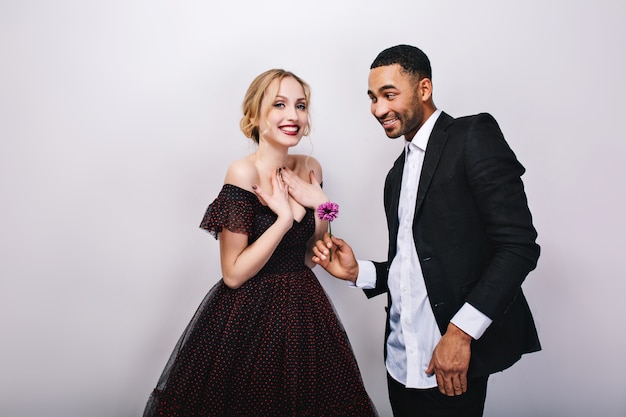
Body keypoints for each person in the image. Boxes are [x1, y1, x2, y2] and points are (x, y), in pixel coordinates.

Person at [311, 45, 541, 417]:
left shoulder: (472, 135)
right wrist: (358, 273)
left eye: (389, 94)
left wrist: (460, 333)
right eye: (372, 98)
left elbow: (518, 247)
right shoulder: (395, 176)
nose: (378, 109)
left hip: (451, 362)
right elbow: (416, 267)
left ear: (424, 89)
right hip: (399, 367)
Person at [143, 69, 378, 416]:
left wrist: (323, 204)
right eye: (279, 104)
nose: (293, 115)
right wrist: (283, 220)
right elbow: (233, 274)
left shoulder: (310, 166)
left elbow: (312, 256)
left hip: (304, 308)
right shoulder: (242, 173)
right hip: (248, 314)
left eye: (300, 105)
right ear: (256, 115)